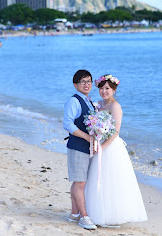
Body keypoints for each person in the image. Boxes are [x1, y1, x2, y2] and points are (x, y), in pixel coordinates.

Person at [85, 74, 148, 226]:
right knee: (96, 179)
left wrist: (101, 148)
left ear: (113, 90)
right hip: (99, 144)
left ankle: (113, 216)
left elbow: (115, 132)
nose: (103, 91)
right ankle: (95, 213)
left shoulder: (115, 106)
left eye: (107, 88)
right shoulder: (99, 104)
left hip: (111, 148)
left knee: (112, 180)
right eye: (101, 88)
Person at [63, 69, 97, 230]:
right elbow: (68, 124)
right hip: (78, 147)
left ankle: (74, 214)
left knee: (79, 181)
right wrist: (87, 137)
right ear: (75, 85)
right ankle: (84, 217)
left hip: (87, 147)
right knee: (80, 182)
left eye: (89, 81)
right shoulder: (74, 101)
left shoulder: (89, 101)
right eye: (82, 82)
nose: (86, 84)